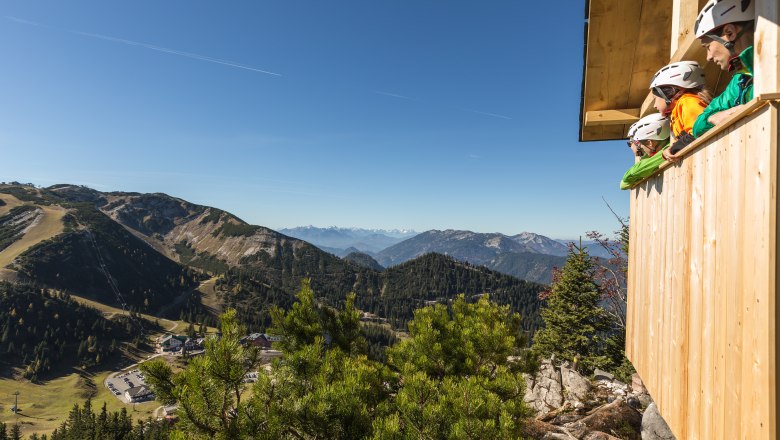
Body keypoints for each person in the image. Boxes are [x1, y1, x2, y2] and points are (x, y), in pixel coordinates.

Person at [692, 0, 755, 137]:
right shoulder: (740, 80)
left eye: (708, 47)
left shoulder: (771, 66)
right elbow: (697, 127)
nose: (708, 57)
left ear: (730, 32)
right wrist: (713, 117)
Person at [647, 61, 712, 162]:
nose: (655, 105)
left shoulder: (688, 102)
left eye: (655, 98)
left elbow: (698, 132)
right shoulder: (678, 110)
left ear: (668, 92)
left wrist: (672, 150)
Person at [620, 114, 671, 190]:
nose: (644, 155)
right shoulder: (671, 144)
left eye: (642, 148)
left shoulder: (669, 148)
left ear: (649, 142)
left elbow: (624, 184)